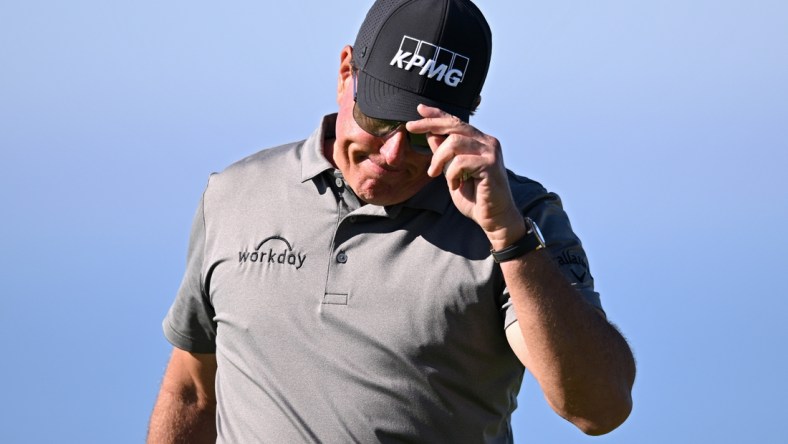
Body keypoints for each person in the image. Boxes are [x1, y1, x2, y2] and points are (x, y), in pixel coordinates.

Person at [147, 0, 636, 442]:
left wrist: (508, 237)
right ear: (346, 74)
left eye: (424, 135)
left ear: (467, 120)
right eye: (379, 120)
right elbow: (193, 390)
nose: (393, 152)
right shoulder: (234, 195)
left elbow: (598, 409)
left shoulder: (520, 217)